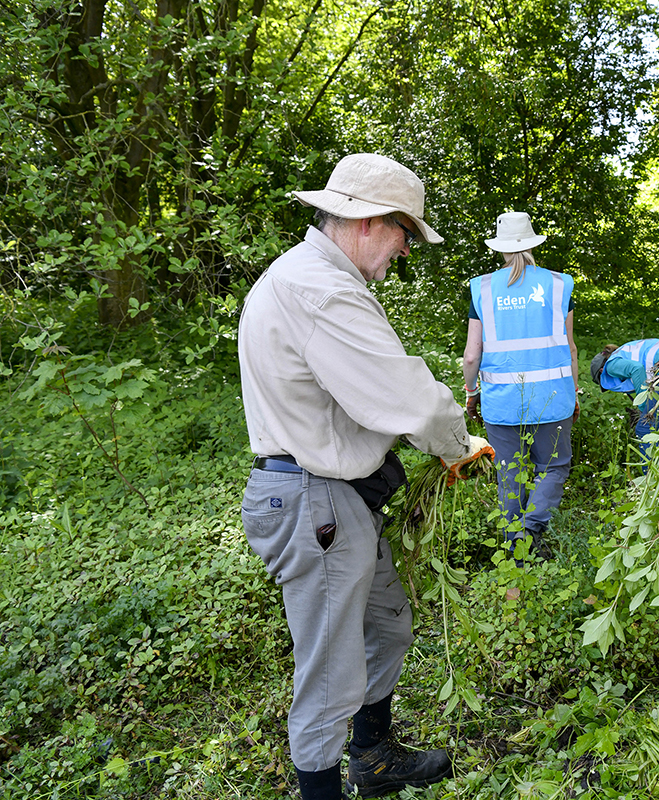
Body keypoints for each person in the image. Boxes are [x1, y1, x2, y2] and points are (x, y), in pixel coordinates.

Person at [238, 153, 492, 800]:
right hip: (315, 503)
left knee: (386, 625)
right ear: (369, 222)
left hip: (333, 500)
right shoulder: (319, 290)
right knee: (330, 678)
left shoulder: (313, 278)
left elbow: (357, 397)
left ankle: (373, 755)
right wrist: (455, 442)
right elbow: (401, 394)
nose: (406, 251)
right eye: (407, 234)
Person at [462, 212, 579, 555]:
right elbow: (570, 348)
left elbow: (472, 355)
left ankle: (516, 544)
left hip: (501, 400)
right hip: (553, 396)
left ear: (499, 248)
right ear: (532, 244)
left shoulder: (483, 287)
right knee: (553, 467)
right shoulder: (560, 285)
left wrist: (471, 393)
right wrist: (573, 393)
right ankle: (533, 528)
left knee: (509, 473)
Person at [589, 339, 659, 463]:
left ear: (601, 371)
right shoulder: (622, 353)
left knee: (644, 428)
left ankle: (652, 476)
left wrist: (644, 406)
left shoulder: (611, 366)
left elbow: (637, 368)